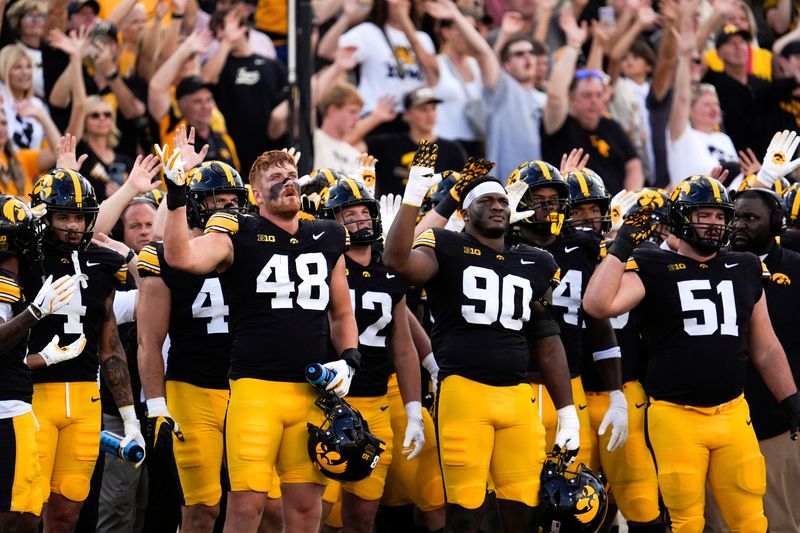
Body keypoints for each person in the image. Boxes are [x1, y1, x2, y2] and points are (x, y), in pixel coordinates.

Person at [159, 132, 360, 532]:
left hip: (311, 391)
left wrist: (350, 359)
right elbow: (181, 256)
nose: (288, 182)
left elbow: (341, 312)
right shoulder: (238, 230)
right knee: (246, 508)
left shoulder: (328, 234)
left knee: (305, 510)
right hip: (255, 389)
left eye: (292, 175)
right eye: (276, 178)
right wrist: (177, 195)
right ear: (255, 194)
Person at [584, 174, 800, 530]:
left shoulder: (745, 266)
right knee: (686, 520)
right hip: (675, 415)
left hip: (732, 412)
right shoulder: (652, 264)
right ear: (681, 217)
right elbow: (597, 304)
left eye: (719, 215)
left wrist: (790, 400)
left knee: (750, 517)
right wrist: (621, 245)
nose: (713, 223)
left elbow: (765, 346)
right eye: (704, 214)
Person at [383, 141, 577, 532]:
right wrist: (413, 196)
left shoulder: (535, 261)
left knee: (524, 509)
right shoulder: (446, 245)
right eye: (486, 200)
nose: (497, 205)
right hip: (464, 392)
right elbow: (398, 261)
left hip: (518, 396)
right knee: (465, 512)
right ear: (464, 212)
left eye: (503, 201)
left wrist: (567, 410)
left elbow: (547, 338)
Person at [21, 166, 150, 532]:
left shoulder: (102, 263)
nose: (73, 226)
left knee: (67, 513)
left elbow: (110, 346)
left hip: (84, 401)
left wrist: (129, 418)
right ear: (44, 216)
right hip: (33, 397)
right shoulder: (22, 259)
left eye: (79, 217)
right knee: (26, 510)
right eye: (64, 216)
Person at [138, 160, 251, 532]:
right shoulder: (162, 258)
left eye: (234, 201)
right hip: (193, 389)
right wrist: (156, 404)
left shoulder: (254, 249)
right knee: (202, 509)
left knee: (262, 505)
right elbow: (149, 341)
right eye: (219, 201)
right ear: (196, 205)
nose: (229, 209)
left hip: (249, 388)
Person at [317, 176, 424, 533]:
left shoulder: (389, 273)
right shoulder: (320, 266)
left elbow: (403, 347)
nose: (360, 220)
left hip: (376, 403)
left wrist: (413, 410)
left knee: (363, 517)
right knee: (317, 512)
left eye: (364, 212)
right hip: (327, 402)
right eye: (349, 214)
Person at [505, 162, 627, 476]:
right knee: (514, 488)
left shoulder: (585, 247)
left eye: (554, 199)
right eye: (539, 200)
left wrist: (616, 394)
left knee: (575, 488)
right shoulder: (501, 246)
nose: (548, 207)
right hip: (515, 385)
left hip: (571, 385)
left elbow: (599, 324)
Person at [0, 195, 86, 532]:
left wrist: (43, 358)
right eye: (28, 231)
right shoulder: (5, 282)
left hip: (12, 402)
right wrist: (35, 313)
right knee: (12, 515)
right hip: (6, 410)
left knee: (26, 511)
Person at [732, 188, 800, 531]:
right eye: (735, 217)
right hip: (722, 418)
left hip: (779, 421)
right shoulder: (713, 265)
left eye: (750, 218)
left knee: (783, 520)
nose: (739, 225)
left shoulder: (796, 267)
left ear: (775, 223)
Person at [366, 87, 466, 196]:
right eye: (423, 110)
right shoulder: (388, 144)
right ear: (407, 115)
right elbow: (351, 147)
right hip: (393, 206)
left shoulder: (452, 149)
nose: (430, 114)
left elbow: (463, 188)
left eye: (433, 108)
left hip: (436, 207)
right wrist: (375, 118)